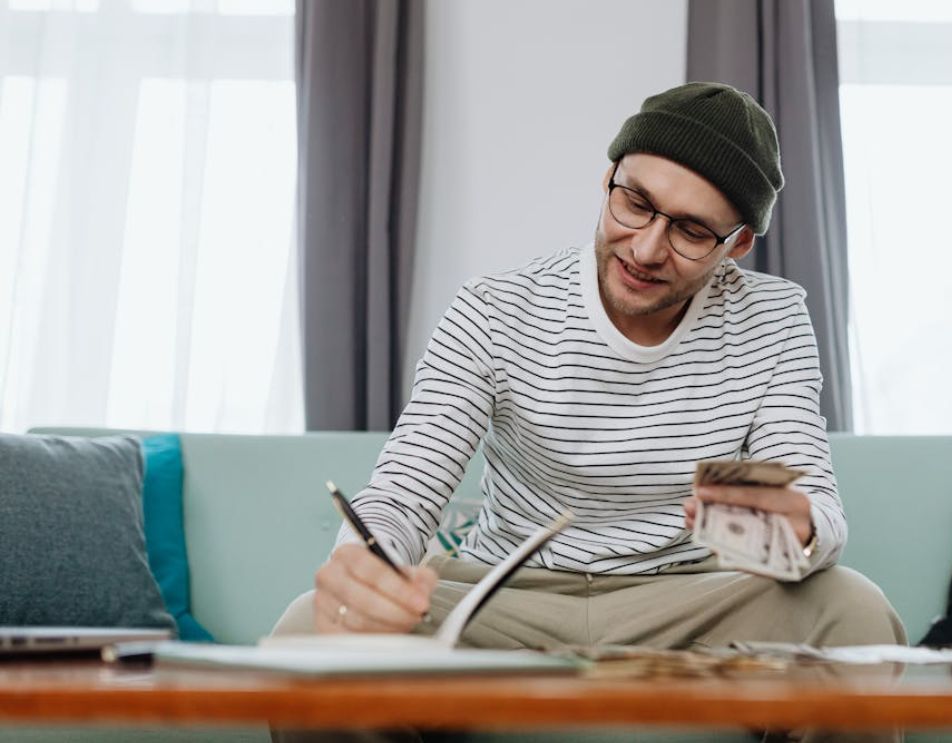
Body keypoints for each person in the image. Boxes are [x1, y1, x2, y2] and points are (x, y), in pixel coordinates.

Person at [273, 82, 904, 743]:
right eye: (635, 203)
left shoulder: (771, 319)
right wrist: (363, 566)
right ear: (608, 178)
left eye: (690, 230)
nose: (646, 248)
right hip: (504, 599)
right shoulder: (494, 307)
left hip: (689, 601)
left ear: (736, 244)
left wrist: (790, 526)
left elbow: (822, 518)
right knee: (302, 634)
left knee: (854, 611)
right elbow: (403, 494)